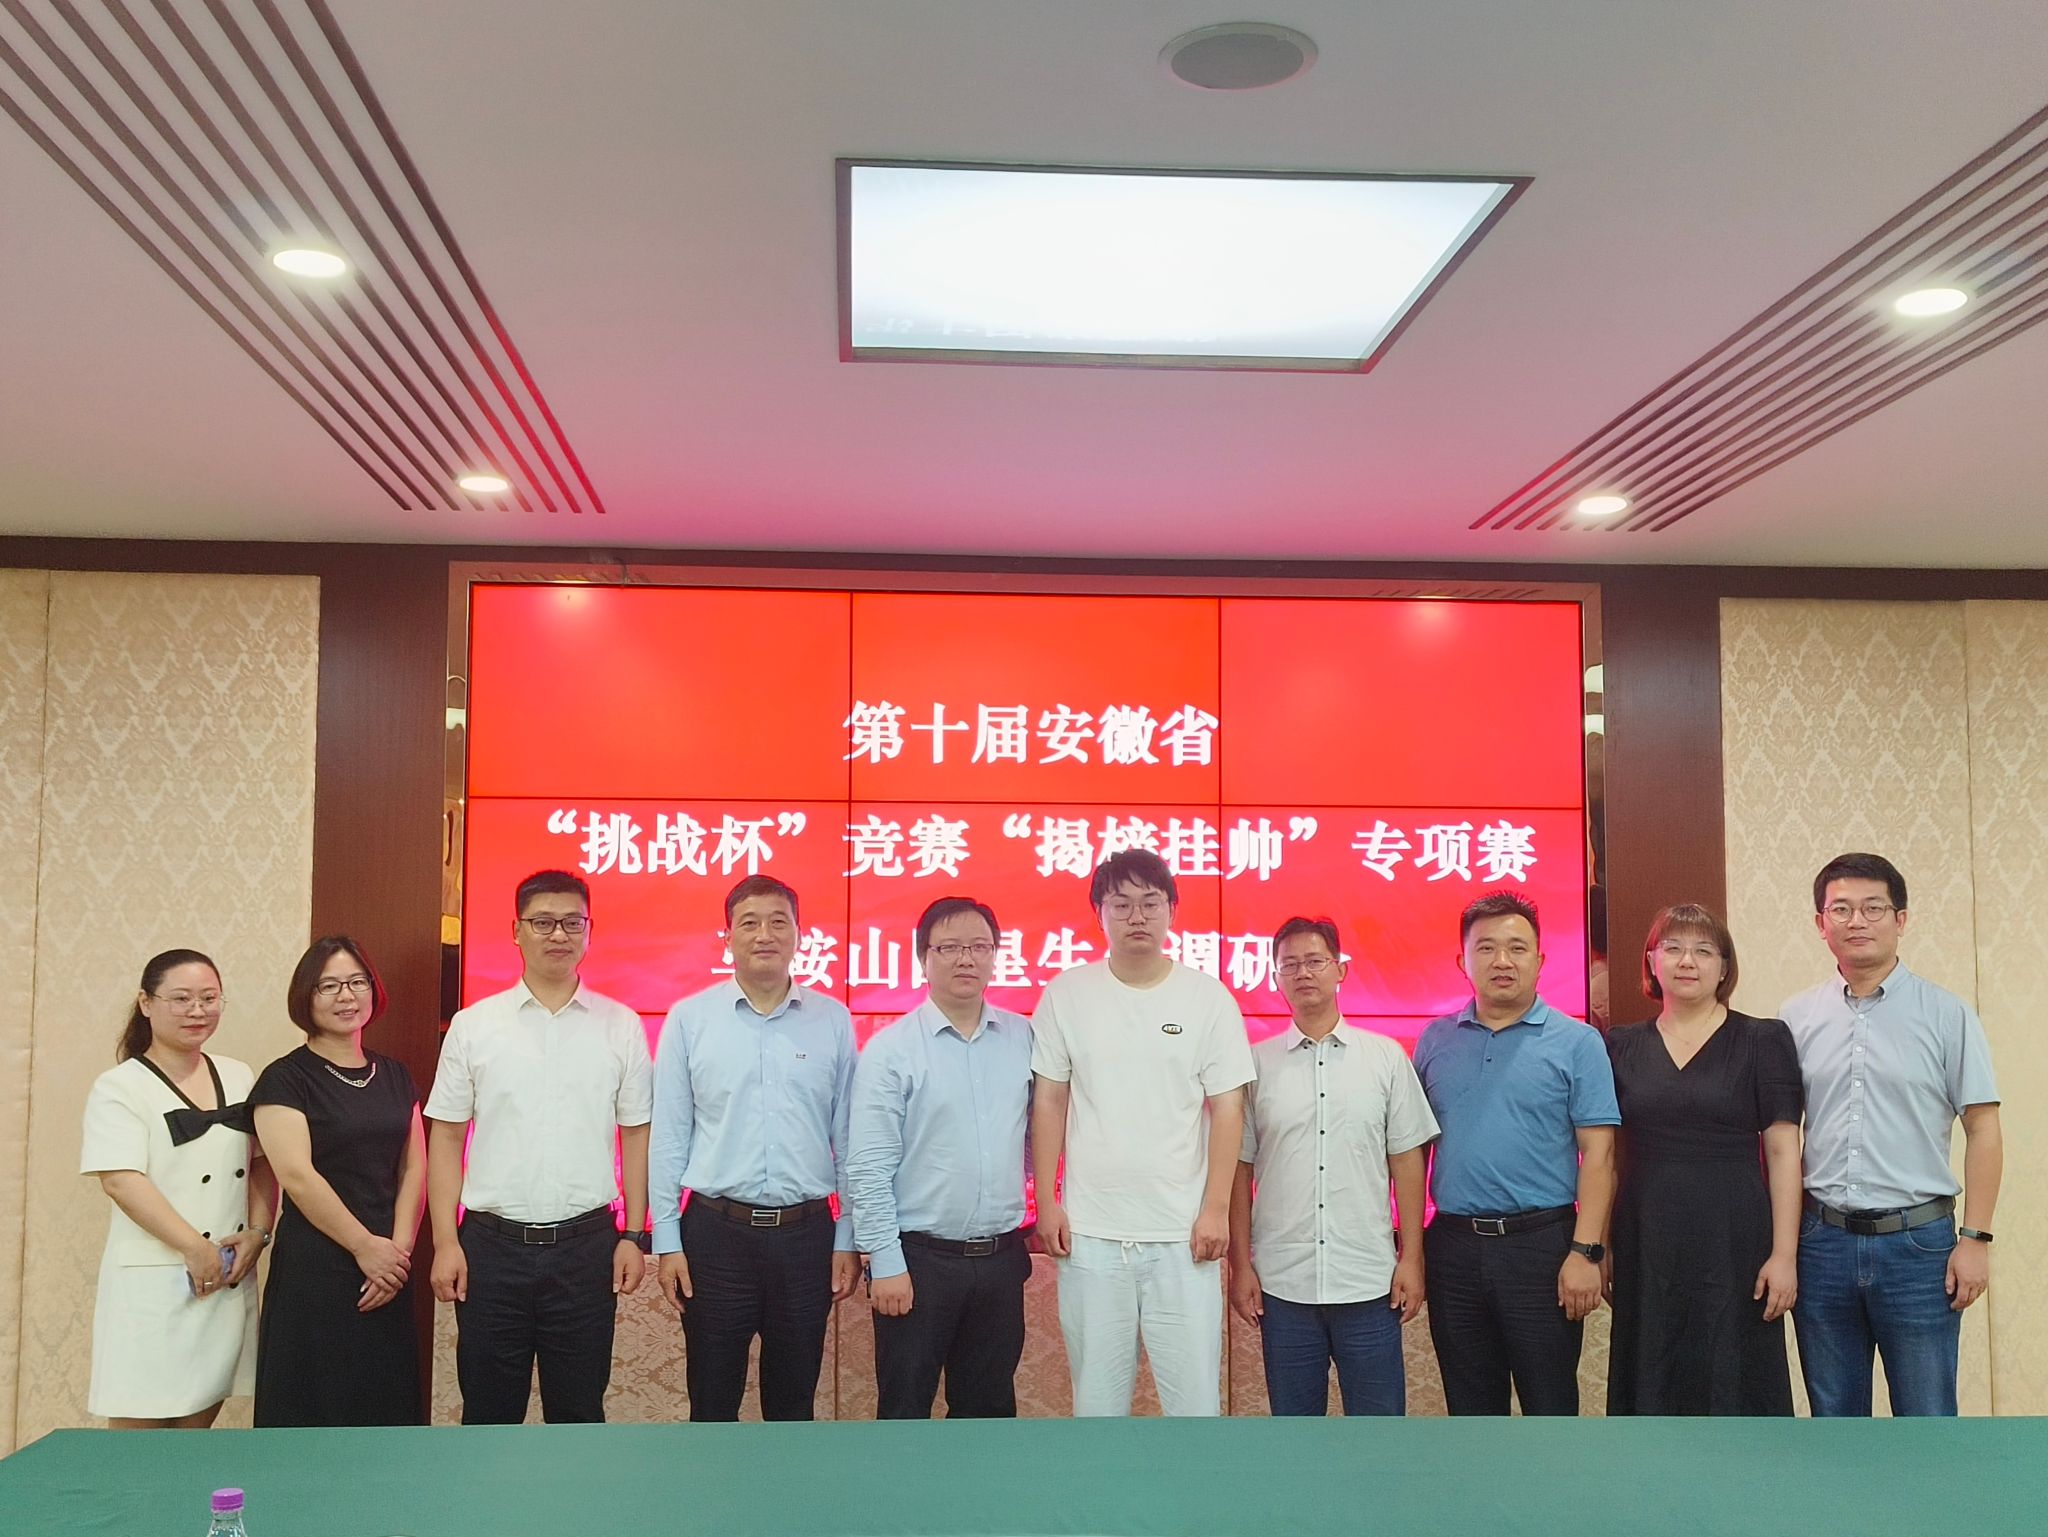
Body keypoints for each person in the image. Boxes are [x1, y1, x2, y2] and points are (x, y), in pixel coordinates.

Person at [424, 870, 652, 1424]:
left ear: (589, 930)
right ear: (516, 931)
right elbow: (446, 1138)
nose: (559, 934)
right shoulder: (474, 1026)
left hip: (586, 1249)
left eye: (572, 922)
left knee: (578, 1413)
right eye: (543, 922)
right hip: (490, 1249)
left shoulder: (621, 1026)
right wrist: (446, 1242)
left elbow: (637, 1135)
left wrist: (633, 1234)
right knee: (488, 1414)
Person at [1031, 849, 1254, 1418]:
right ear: (1098, 913)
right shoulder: (1066, 994)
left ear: (1172, 911)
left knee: (1194, 1406)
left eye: (1150, 903)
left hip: (1183, 1237)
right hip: (1092, 1236)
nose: (1137, 916)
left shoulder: (1207, 998)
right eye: (1121, 904)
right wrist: (1048, 1202)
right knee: (1097, 1406)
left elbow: (1229, 1109)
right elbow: (1050, 1099)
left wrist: (1214, 1210)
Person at [1782, 852, 2002, 1417]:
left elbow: (1983, 1127)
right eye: (1841, 909)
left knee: (1926, 1415)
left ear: (1900, 919)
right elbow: (1781, 1139)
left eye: (1873, 908)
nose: (1857, 921)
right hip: (1822, 1244)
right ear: (1821, 923)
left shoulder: (1947, 1014)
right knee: (1835, 1417)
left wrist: (1975, 1239)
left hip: (1919, 1246)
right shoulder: (1795, 1018)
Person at [651, 875, 861, 1421]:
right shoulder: (690, 1020)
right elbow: (669, 1137)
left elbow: (848, 1140)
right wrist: (668, 1241)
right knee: (712, 1402)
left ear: (799, 934)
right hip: (715, 1237)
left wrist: (847, 1237)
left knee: (794, 1404)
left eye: (778, 922)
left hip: (806, 1239)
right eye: (749, 923)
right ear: (728, 938)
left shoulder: (833, 1020)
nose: (764, 934)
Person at [1413, 890, 1618, 1416]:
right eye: (1486, 948)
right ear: (1463, 961)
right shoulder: (1434, 1040)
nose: (1502, 960)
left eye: (1517, 948)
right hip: (1454, 1247)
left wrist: (1586, 1252)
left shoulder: (1578, 1042)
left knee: (1550, 1409)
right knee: (1470, 1410)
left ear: (1540, 960)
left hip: (1542, 1247)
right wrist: (1412, 1250)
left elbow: (1599, 1156)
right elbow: (1414, 1154)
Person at [1229, 917, 1437, 1416]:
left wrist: (1412, 1257)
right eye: (1290, 965)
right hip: (1283, 1286)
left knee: (1378, 1430)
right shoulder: (1254, 1066)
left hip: (1369, 1283)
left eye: (1315, 961)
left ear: (1340, 970)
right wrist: (1240, 1265)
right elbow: (1239, 1170)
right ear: (1275, 978)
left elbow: (1407, 1162)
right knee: (1296, 1433)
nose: (1303, 973)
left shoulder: (1385, 1058)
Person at [1603, 904, 1801, 1415]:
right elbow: (1608, 1157)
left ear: (1724, 966)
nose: (1687, 961)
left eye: (1703, 950)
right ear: (1652, 962)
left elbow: (1783, 1150)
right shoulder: (1620, 1045)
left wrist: (1784, 1255)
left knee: (1735, 1367)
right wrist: (1600, 1244)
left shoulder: (1763, 1039)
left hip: (1736, 1234)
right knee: (1651, 1364)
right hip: (1645, 1232)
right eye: (1672, 948)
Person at [847, 896, 1034, 1419]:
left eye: (979, 947)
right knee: (905, 1413)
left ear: (995, 956)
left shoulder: (1024, 1038)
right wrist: (885, 1261)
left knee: (988, 1416)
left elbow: (1034, 1137)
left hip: (1000, 1261)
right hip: (919, 1263)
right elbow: (868, 1167)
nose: (966, 959)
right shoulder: (891, 1050)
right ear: (923, 959)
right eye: (949, 948)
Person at [80, 949, 274, 1428]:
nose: (197, 1010)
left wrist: (258, 1232)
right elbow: (120, 1180)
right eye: (181, 998)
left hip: (225, 1277)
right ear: (146, 1003)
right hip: (155, 1279)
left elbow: (262, 1164)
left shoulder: (238, 1074)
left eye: (209, 998)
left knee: (195, 1438)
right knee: (141, 1441)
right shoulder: (119, 1086)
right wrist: (193, 1247)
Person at [250, 936, 425, 1426]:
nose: (346, 996)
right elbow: (297, 1176)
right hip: (317, 1268)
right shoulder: (284, 1079)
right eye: (328, 986)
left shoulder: (394, 1074)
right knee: (312, 1411)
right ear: (305, 997)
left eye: (356, 982)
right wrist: (364, 1247)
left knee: (385, 1411)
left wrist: (397, 1255)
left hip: (388, 1269)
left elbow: (413, 1167)